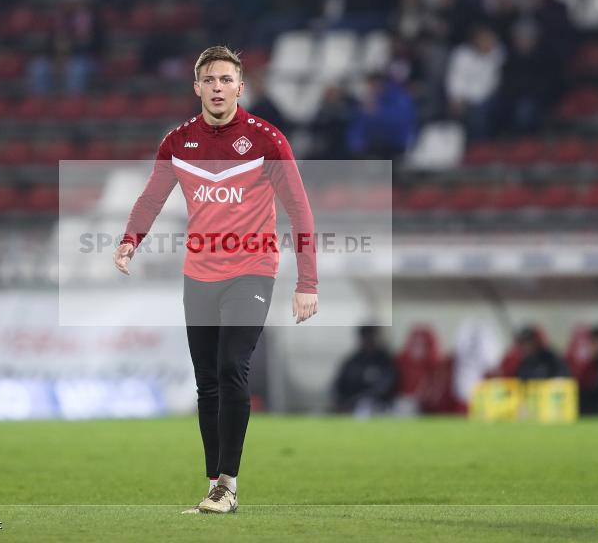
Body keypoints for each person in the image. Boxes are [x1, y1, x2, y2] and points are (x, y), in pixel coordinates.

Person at [113, 46, 318, 515]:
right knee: (206, 383)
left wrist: (308, 282)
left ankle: (229, 485)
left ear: (240, 88)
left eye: (227, 80)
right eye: (210, 80)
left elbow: (300, 211)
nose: (218, 87)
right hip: (199, 274)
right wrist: (129, 239)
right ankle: (214, 488)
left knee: (231, 368)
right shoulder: (177, 142)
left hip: (252, 270)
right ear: (197, 87)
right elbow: (151, 198)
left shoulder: (267, 140)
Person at [332, 325, 399, 415]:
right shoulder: (352, 361)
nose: (368, 341)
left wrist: (356, 400)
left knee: (365, 408)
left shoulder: (385, 360)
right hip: (350, 404)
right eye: (365, 337)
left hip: (377, 404)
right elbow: (338, 384)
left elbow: (386, 386)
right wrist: (339, 400)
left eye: (370, 337)